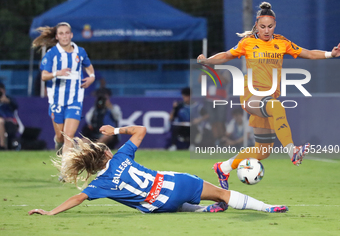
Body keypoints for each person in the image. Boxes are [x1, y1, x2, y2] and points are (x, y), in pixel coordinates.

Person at [197, 2, 340, 190]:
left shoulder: (281, 42)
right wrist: (208, 61)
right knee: (276, 107)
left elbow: (308, 53)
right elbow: (226, 55)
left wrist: (331, 54)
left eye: (270, 27)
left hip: (268, 99)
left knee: (262, 151)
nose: (266, 30)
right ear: (256, 25)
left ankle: (222, 167)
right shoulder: (247, 42)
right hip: (251, 96)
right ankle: (292, 152)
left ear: (275, 25)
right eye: (262, 27)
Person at [28, 124, 288, 216]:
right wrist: (116, 131)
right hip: (176, 185)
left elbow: (78, 197)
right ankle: (266, 207)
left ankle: (201, 209)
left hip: (159, 206)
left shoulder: (99, 184)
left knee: (149, 201)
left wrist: (51, 211)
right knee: (221, 192)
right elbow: (141, 130)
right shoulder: (122, 156)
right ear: (106, 152)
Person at [32, 22, 95, 164]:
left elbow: (90, 69)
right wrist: (57, 73)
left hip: (75, 99)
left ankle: (65, 169)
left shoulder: (80, 52)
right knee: (60, 137)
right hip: (56, 101)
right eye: (61, 33)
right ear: (57, 36)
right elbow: (44, 76)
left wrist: (91, 77)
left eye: (67, 33)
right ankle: (58, 142)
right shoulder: (52, 54)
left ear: (71, 35)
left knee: (69, 136)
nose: (65, 36)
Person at [0, 82, 19, 150]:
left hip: (9, 121)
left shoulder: (8, 98)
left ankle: (2, 146)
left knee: (0, 121)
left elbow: (16, 106)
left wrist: (8, 101)